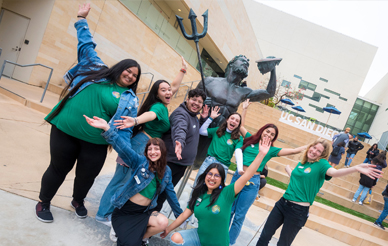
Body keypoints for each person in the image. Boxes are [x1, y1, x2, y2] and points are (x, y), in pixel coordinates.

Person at [35, 3, 141, 223]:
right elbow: (86, 45)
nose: (130, 76)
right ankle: (43, 202)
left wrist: (126, 151)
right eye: (128, 71)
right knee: (58, 168)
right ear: (120, 67)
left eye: (134, 76)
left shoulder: (129, 98)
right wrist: (81, 19)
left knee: (86, 176)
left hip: (96, 143)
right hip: (65, 130)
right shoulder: (96, 68)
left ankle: (77, 200)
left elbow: (124, 128)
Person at [95, 57, 188, 225]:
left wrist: (182, 71)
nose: (169, 92)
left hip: (144, 145)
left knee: (125, 181)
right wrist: (136, 120)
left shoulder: (163, 103)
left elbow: (174, 86)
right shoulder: (158, 107)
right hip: (140, 144)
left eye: (169, 90)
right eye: (164, 90)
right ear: (157, 93)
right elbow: (150, 115)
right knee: (120, 181)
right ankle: (103, 214)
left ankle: (108, 212)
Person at [256, 139, 382, 246]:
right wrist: (289, 170)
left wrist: (355, 168)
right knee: (264, 236)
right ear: (310, 147)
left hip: (298, 211)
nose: (314, 151)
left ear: (322, 154)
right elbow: (299, 181)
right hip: (282, 203)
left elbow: (334, 173)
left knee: (283, 244)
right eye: (314, 147)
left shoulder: (322, 164)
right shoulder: (303, 162)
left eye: (319, 151)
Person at [84, 115, 183, 246]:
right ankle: (118, 229)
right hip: (124, 212)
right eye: (149, 149)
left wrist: (181, 217)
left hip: (143, 213)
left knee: (162, 222)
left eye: (156, 149)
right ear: (146, 152)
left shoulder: (167, 172)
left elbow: (172, 197)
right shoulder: (140, 162)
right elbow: (123, 148)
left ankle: (142, 237)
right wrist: (107, 128)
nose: (153, 152)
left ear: (163, 152)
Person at [160, 136, 272, 246]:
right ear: (205, 176)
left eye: (217, 176)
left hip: (218, 244)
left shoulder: (227, 193)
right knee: (175, 238)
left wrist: (261, 154)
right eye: (210, 174)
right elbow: (184, 215)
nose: (212, 178)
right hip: (199, 237)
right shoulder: (199, 194)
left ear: (221, 180)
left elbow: (247, 175)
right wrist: (168, 229)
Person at [229, 100, 308, 245]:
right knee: (228, 210)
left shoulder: (272, 150)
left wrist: (309, 146)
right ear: (262, 130)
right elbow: (241, 126)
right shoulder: (250, 138)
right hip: (238, 177)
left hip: (252, 182)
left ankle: (229, 242)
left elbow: (293, 150)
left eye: (272, 134)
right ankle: (220, 239)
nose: (269, 135)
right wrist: (244, 109)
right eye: (267, 131)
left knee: (239, 215)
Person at [153, 88, 206, 212]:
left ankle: (150, 220)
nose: (196, 103)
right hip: (170, 162)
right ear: (187, 99)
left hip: (180, 165)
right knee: (155, 194)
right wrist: (179, 142)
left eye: (199, 102)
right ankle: (141, 220)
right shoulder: (181, 114)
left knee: (163, 195)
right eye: (194, 99)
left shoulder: (193, 117)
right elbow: (180, 128)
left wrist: (203, 119)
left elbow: (193, 130)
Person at [193, 105, 243, 181]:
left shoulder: (238, 138)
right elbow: (201, 131)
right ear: (227, 120)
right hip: (209, 162)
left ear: (238, 125)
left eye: (237, 121)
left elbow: (238, 151)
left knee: (215, 192)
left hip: (223, 167)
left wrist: (240, 168)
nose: (234, 121)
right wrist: (211, 118)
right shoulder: (217, 130)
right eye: (232, 118)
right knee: (197, 187)